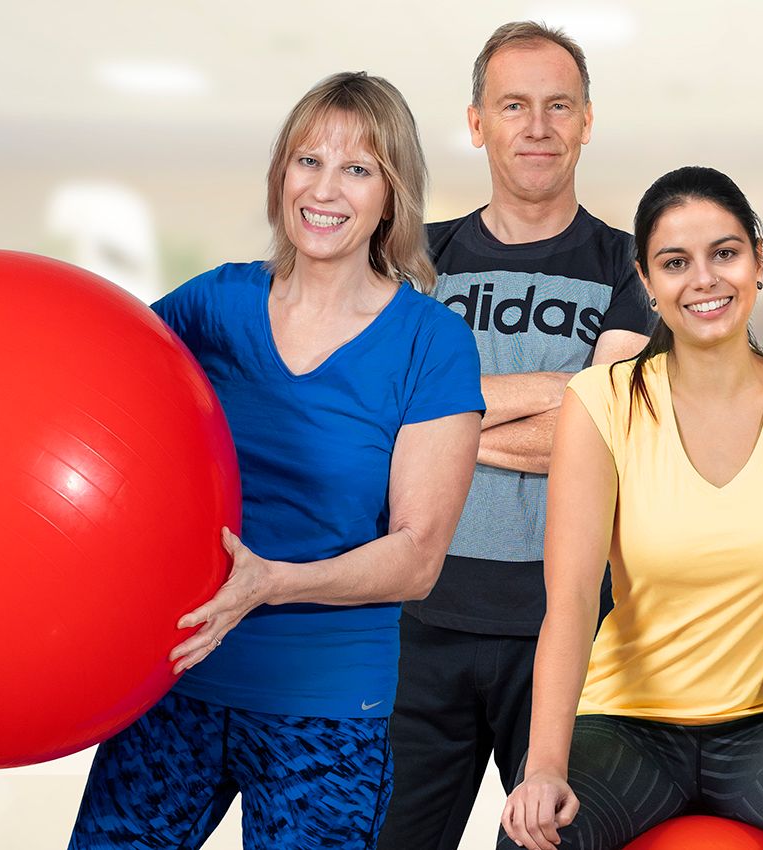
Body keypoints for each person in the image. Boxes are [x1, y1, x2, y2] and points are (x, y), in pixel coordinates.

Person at [67, 71, 484, 850]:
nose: (325, 189)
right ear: (279, 175)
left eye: (357, 170)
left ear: (390, 197)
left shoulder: (431, 344)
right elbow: (101, 402)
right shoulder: (211, 306)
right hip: (176, 684)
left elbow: (417, 558)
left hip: (324, 712)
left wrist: (272, 583)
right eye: (307, 161)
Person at [498, 166, 763, 850]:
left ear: (759, 260)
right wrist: (545, 766)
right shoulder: (601, 401)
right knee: (534, 838)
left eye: (724, 253)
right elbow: (574, 598)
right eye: (676, 263)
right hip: (622, 724)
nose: (703, 279)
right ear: (645, 282)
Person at [377, 22, 653, 850]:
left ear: (587, 121)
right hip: (414, 623)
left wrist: (436, 416)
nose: (538, 126)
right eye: (514, 105)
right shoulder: (414, 260)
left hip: (569, 627)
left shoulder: (632, 266)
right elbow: (372, 416)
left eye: (558, 106)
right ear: (476, 123)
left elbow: (609, 428)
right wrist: (561, 402)